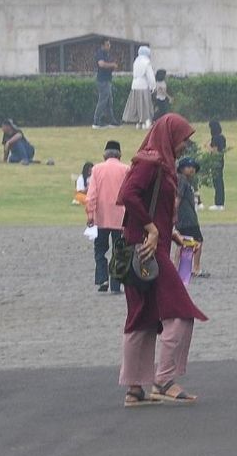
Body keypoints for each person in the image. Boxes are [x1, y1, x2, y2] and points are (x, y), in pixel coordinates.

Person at [116, 114, 208, 407]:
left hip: (140, 246)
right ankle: (163, 379)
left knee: (141, 317)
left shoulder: (150, 159)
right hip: (148, 249)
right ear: (170, 136)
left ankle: (134, 388)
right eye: (183, 140)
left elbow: (148, 203)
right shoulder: (152, 162)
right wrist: (153, 228)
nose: (185, 147)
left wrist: (173, 234)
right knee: (181, 311)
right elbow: (128, 194)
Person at [87, 140, 129, 294]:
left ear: (105, 154)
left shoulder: (97, 169)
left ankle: (102, 278)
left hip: (101, 217)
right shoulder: (126, 169)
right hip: (121, 218)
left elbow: (91, 194)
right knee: (119, 251)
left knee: (100, 250)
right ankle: (116, 284)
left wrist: (90, 214)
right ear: (119, 154)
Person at [174, 157, 207, 278]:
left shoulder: (184, 181)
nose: (192, 169)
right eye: (188, 167)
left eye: (193, 167)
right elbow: (178, 197)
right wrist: (174, 213)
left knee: (183, 242)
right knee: (196, 241)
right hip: (186, 217)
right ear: (182, 169)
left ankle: (178, 268)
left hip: (186, 216)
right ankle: (194, 268)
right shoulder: (182, 180)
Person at [122, 46, 156, 130]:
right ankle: (147, 122)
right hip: (143, 85)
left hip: (134, 85)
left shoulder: (136, 61)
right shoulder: (146, 62)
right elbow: (150, 76)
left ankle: (138, 123)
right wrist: (153, 86)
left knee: (137, 105)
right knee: (145, 104)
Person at [206, 120, 227, 210]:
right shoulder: (222, 137)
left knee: (217, 182)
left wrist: (207, 147)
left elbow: (215, 151)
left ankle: (218, 203)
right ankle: (221, 202)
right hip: (221, 161)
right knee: (220, 182)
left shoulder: (215, 138)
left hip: (215, 162)